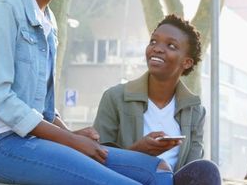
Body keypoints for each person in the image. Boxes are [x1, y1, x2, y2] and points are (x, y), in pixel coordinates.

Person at [0, 0, 172, 184]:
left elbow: (44, 109)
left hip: (37, 142)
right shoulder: (4, 10)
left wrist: (72, 134)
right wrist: (71, 141)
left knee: (157, 170)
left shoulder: (48, 22)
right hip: (1, 147)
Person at [93, 15, 221, 184]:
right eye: (153, 42)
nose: (157, 49)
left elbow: (192, 168)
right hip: (127, 180)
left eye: (171, 45)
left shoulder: (195, 110)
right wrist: (138, 152)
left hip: (172, 181)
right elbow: (96, 160)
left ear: (187, 62)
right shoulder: (115, 97)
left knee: (207, 170)